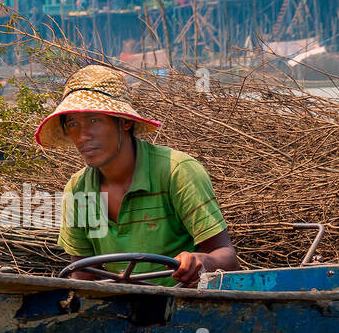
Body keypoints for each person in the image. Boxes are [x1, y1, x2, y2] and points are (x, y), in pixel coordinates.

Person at [34, 64, 238, 287]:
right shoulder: (79, 189)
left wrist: (201, 262)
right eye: (72, 124)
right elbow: (83, 273)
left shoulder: (175, 172)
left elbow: (227, 257)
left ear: (125, 122)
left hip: (185, 307)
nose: (83, 136)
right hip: (120, 312)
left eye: (94, 120)